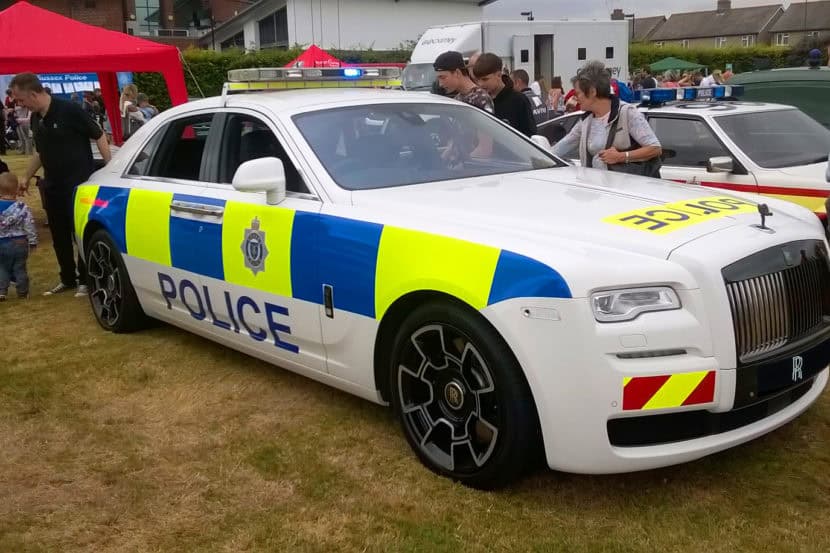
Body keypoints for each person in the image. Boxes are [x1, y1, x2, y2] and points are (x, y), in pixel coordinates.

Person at [11, 72, 111, 297]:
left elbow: (99, 135)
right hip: (53, 186)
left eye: (20, 99)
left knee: (79, 233)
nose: (19, 104)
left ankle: (86, 279)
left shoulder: (70, 110)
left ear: (34, 94)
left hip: (77, 185)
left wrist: (109, 169)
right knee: (59, 236)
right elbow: (40, 151)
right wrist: (26, 176)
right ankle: (68, 278)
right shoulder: (37, 118)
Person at [552, 61, 662, 175]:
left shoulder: (627, 113)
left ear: (592, 92)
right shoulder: (586, 120)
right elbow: (564, 145)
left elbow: (655, 148)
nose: (575, 98)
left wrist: (621, 157)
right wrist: (539, 157)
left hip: (624, 189)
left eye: (578, 93)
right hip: (597, 188)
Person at [473, 53, 537, 137]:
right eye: (477, 80)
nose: (480, 84)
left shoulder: (519, 101)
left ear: (499, 75)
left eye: (485, 79)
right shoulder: (478, 101)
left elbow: (530, 135)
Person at [0, 171, 37, 301]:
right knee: (20, 268)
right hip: (20, 242)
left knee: (2, 268)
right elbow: (29, 225)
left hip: (2, 243)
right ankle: (22, 291)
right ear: (17, 189)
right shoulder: (23, 207)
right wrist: (32, 242)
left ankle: (2, 291)